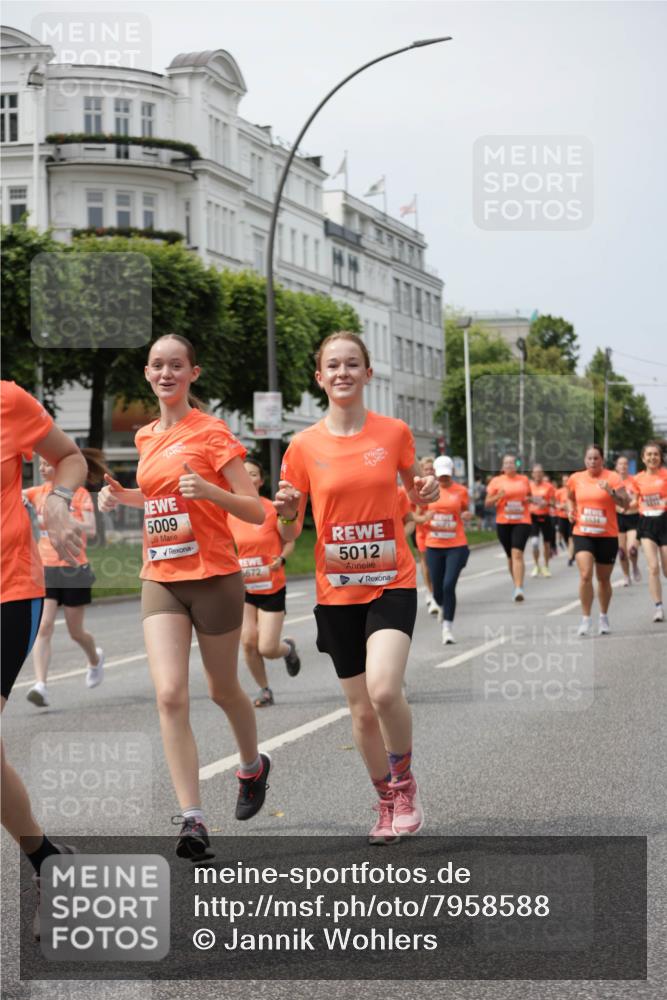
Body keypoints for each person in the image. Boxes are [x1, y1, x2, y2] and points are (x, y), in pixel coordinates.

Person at [98, 334, 270, 860]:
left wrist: (211, 491)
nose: (166, 373)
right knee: (170, 694)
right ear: (147, 374)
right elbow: (161, 497)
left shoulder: (212, 431)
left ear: (193, 373)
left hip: (214, 576)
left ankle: (252, 766)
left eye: (176, 365)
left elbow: (254, 509)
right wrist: (123, 497)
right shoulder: (146, 435)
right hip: (161, 577)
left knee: (223, 690)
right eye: (157, 365)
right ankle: (193, 818)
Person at [275, 331, 438, 845]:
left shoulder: (394, 433)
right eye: (333, 365)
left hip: (391, 580)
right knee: (362, 710)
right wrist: (285, 514)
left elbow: (418, 497)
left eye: (352, 364)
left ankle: (405, 786)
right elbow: (287, 530)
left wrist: (429, 490)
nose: (342, 372)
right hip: (337, 591)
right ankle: (385, 800)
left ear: (368, 374)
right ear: (319, 378)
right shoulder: (302, 446)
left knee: (384, 689)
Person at [1, 380, 87, 939]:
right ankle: (50, 861)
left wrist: (57, 499)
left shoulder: (8, 400)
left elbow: (69, 457)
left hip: (8, 590)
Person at [24, 451, 107, 707]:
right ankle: (41, 685)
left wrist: (65, 517)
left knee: (76, 632)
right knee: (44, 626)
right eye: (40, 464)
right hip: (46, 568)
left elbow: (91, 529)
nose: (42, 468)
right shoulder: (37, 493)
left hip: (74, 568)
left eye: (47, 464)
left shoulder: (79, 495)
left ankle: (95, 659)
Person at [228, 458, 301, 707]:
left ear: (260, 481)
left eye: (253, 474)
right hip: (245, 587)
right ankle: (264, 690)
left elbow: (289, 540)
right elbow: (223, 545)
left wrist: (281, 559)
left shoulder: (271, 509)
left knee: (268, 648)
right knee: (248, 642)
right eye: (243, 474)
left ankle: (287, 649)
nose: (247, 478)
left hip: (272, 586)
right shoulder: (230, 511)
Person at [567, 444, 629, 636]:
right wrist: (570, 510)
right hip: (583, 533)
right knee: (585, 574)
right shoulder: (576, 478)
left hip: (606, 535)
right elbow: (570, 498)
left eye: (596, 458)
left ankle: (603, 616)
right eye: (589, 458)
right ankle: (585, 618)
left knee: (603, 579)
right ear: (584, 460)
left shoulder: (613, 478)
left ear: (602, 460)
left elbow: (625, 504)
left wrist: (611, 491)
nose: (593, 462)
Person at [424, 455, 472, 644]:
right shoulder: (428, 490)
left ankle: (447, 628)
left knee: (448, 585)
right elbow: (418, 513)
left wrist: (466, 515)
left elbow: (465, 510)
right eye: (441, 475)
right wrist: (423, 518)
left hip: (456, 545)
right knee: (437, 590)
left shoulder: (461, 490)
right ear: (435, 473)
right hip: (434, 545)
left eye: (447, 474)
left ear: (452, 472)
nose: (444, 478)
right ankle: (441, 605)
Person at [485, 455, 532, 601]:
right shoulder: (496, 481)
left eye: (512, 462)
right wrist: (498, 496)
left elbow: (530, 496)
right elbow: (487, 502)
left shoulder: (523, 480)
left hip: (522, 520)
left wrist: (528, 499)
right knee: (511, 557)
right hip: (503, 522)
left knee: (517, 553)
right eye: (506, 463)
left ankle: (519, 588)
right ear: (502, 466)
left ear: (516, 465)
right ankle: (517, 583)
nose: (509, 465)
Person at [633, 441, 667, 622]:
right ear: (643, 458)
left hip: (665, 521)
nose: (653, 457)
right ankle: (658, 607)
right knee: (653, 567)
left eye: (656, 454)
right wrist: (618, 501)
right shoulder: (637, 479)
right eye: (649, 454)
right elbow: (633, 501)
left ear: (660, 458)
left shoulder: (665, 475)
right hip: (646, 523)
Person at [614, 455, 641, 586]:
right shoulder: (612, 482)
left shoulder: (634, 481)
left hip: (632, 517)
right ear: (616, 466)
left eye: (625, 464)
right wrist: (618, 507)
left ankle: (634, 566)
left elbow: (637, 499)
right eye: (620, 464)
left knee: (632, 550)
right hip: (618, 518)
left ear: (628, 466)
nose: (623, 466)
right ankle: (626, 576)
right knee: (622, 552)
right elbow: (609, 500)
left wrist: (627, 506)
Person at [528, 464, 557, 578]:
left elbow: (554, 503)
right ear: (532, 474)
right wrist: (530, 500)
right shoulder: (529, 486)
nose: (538, 474)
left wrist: (547, 503)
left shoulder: (549, 487)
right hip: (533, 517)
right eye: (536, 472)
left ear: (543, 474)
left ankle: (546, 566)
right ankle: (536, 565)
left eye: (540, 472)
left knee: (546, 544)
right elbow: (525, 499)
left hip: (545, 517)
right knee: (534, 543)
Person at [555, 474, 575, 566]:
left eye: (567, 480)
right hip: (562, 517)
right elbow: (555, 504)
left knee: (571, 537)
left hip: (571, 517)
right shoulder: (559, 492)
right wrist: (561, 506)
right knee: (565, 536)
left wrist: (570, 507)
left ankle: (570, 557)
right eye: (564, 480)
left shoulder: (573, 490)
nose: (566, 482)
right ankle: (571, 551)